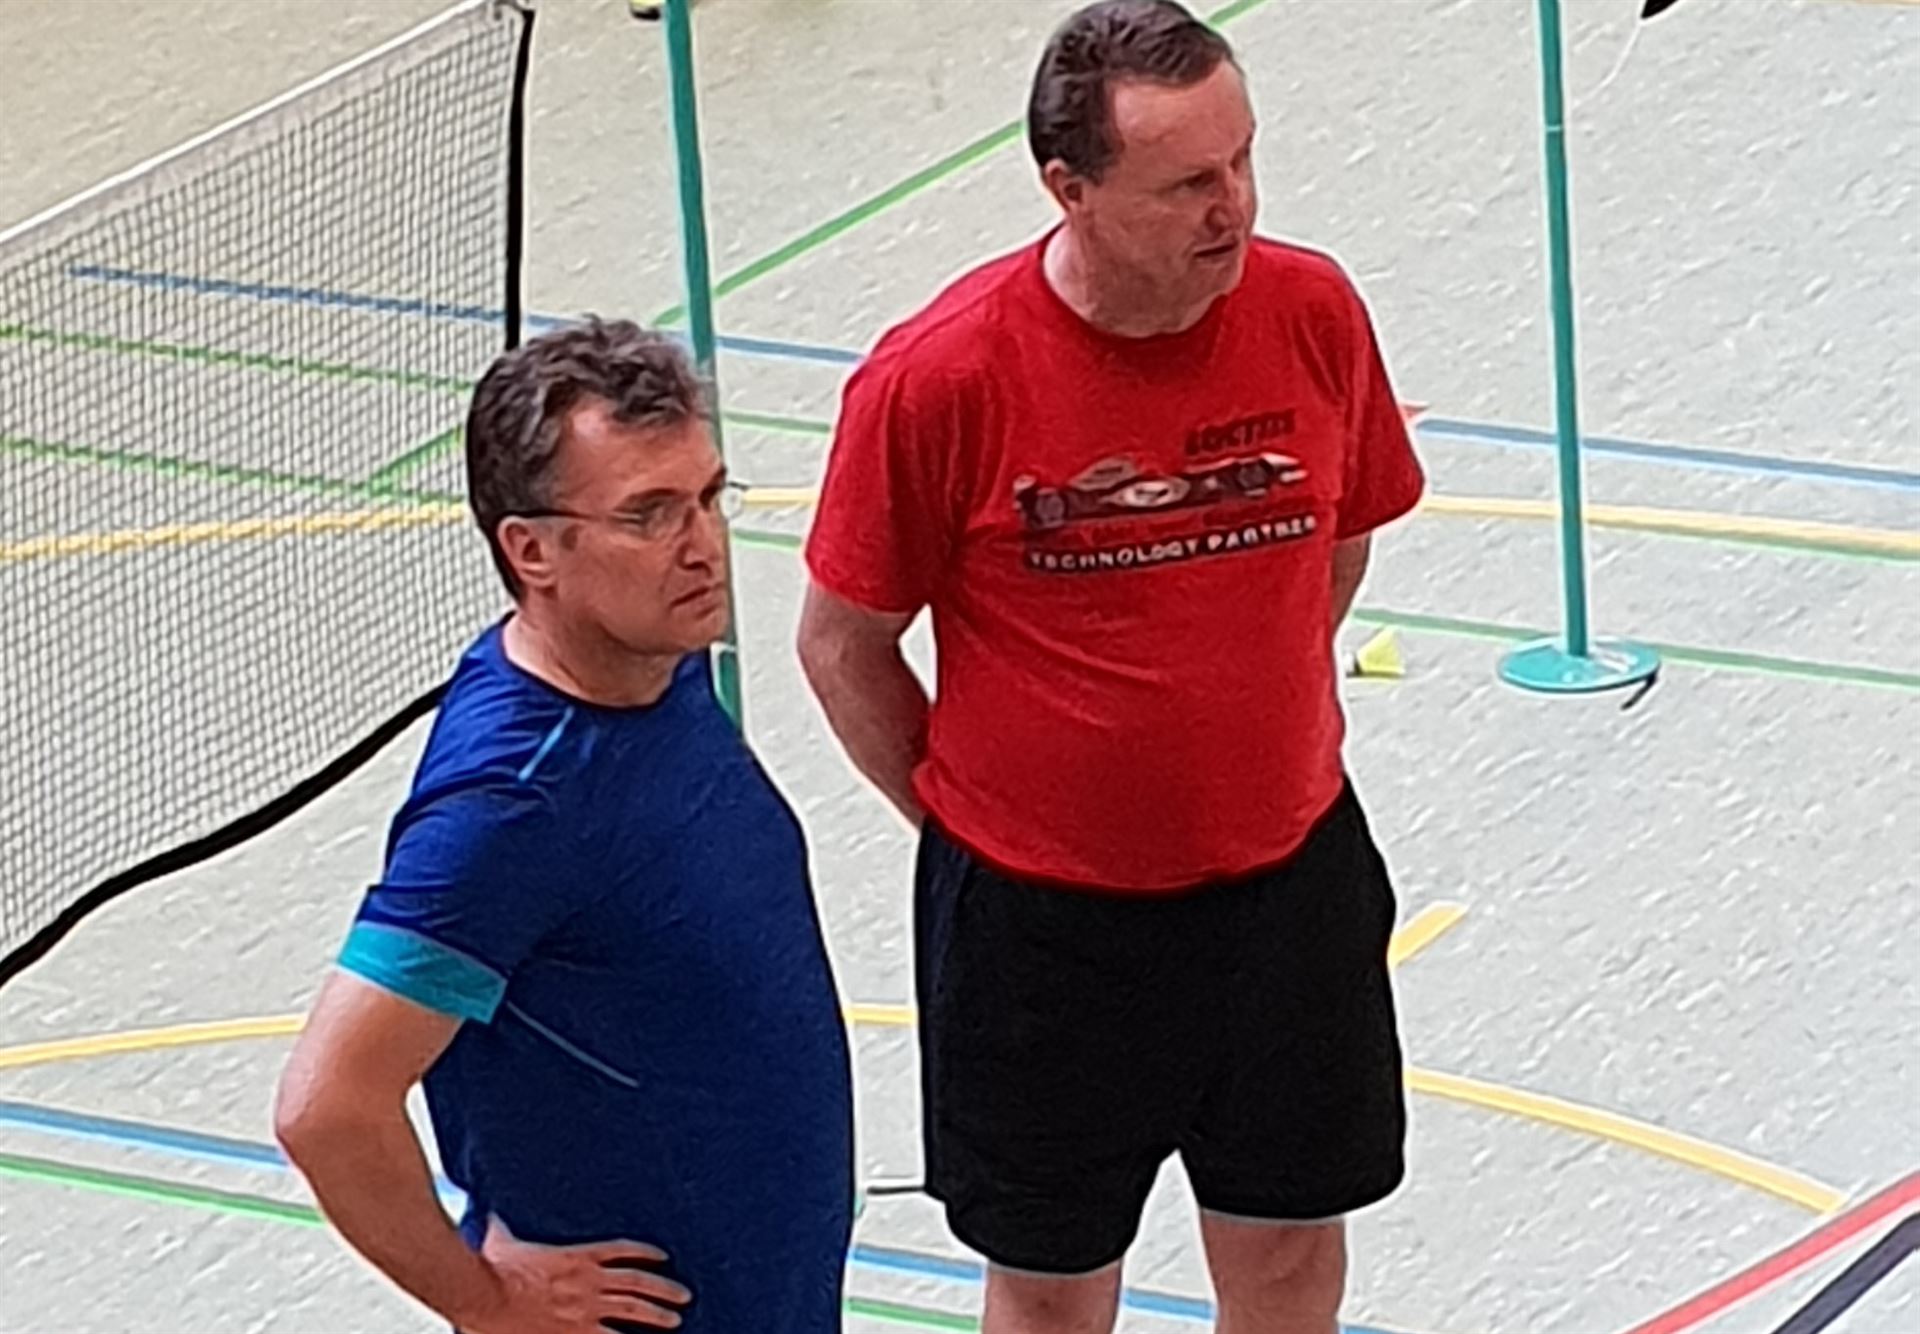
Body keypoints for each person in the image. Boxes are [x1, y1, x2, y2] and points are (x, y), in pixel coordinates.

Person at [797, 2, 1424, 1331]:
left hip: (1290, 891)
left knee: (1290, 1252)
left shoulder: (1312, 310)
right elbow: (842, 643)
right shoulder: (940, 378)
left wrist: (1241, 712)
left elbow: (1342, 534)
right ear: (1067, 188)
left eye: (1242, 160)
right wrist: (980, 819)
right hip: (1042, 937)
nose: (1233, 205)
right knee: (1049, 1283)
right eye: (1187, 182)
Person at [275, 318, 853, 1334]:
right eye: (648, 515)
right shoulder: (511, 802)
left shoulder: (655, 662)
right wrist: (486, 1302)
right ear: (531, 549)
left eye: (708, 497)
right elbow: (326, 1107)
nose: (702, 545)